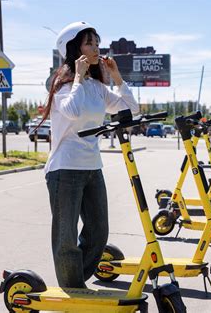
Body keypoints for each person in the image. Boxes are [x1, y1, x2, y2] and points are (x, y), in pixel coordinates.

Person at [40, 21, 139, 288]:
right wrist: (77, 78)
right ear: (74, 49)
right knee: (66, 237)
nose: (97, 48)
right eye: (89, 43)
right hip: (65, 169)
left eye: (97, 42)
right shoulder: (62, 87)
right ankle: (72, 287)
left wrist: (116, 77)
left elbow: (131, 108)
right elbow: (72, 111)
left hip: (92, 167)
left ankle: (74, 282)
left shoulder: (97, 87)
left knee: (98, 231)